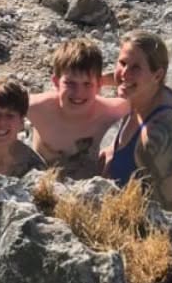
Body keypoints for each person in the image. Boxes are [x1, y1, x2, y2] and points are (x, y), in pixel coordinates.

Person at [101, 33, 172, 213]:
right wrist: (93, 80)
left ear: (157, 75)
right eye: (123, 63)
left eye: (135, 68)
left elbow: (169, 215)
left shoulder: (158, 135)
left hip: (142, 230)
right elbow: (124, 77)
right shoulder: (150, 94)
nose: (125, 73)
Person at [26, 38, 130, 180]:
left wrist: (114, 148)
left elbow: (152, 92)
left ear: (99, 85)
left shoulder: (111, 112)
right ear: (56, 82)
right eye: (70, 83)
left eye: (87, 84)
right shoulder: (38, 108)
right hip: (43, 182)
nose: (78, 93)